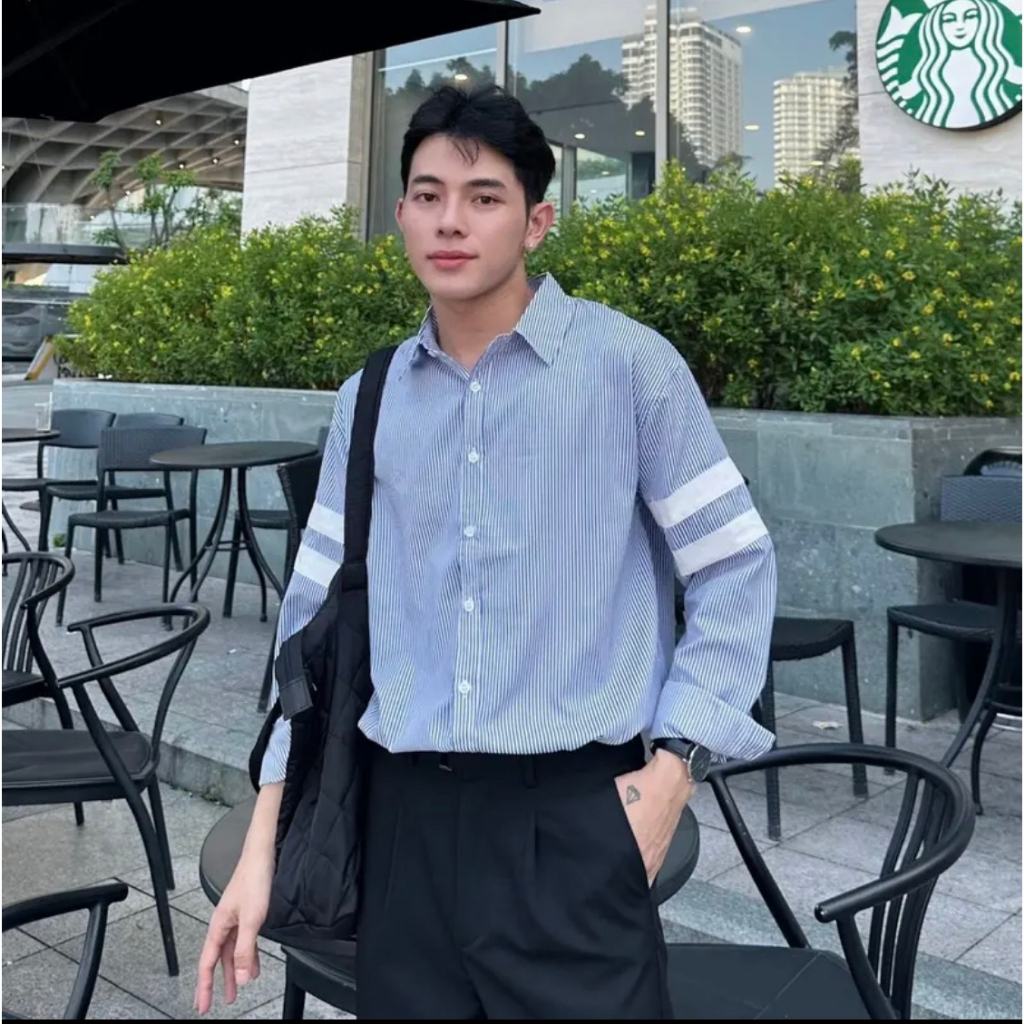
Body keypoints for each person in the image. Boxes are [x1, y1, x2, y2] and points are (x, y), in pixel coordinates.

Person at [195, 84, 776, 1020]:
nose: (450, 221)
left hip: (573, 820)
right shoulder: (370, 397)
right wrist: (267, 832)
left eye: (484, 197)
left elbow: (733, 563)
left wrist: (674, 771)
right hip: (402, 825)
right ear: (400, 215)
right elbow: (310, 626)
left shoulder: (628, 368)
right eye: (428, 196)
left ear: (536, 221)